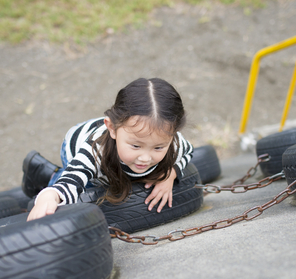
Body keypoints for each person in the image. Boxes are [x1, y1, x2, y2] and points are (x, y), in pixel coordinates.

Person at [22, 78, 193, 221]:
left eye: (158, 147)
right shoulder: (95, 152)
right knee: (86, 186)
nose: (145, 158)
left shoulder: (173, 142)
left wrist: (170, 175)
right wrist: (50, 196)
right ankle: (50, 175)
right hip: (77, 144)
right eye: (135, 146)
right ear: (111, 128)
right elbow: (71, 181)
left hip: (120, 135)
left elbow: (188, 152)